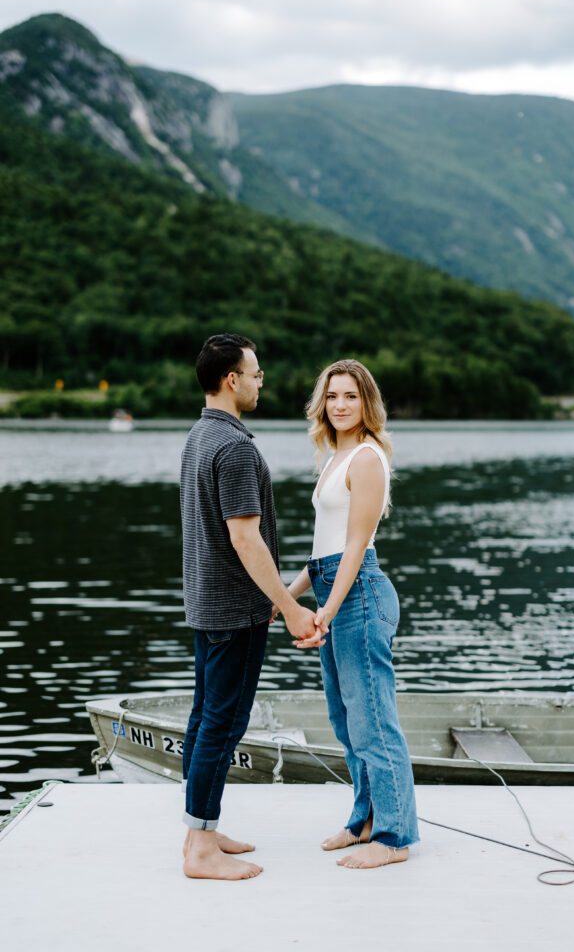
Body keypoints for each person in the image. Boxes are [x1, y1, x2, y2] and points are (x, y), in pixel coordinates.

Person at [180, 333, 319, 881]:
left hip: (207, 603)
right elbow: (245, 539)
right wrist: (286, 606)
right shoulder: (235, 446)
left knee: (204, 716)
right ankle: (199, 848)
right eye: (256, 374)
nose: (262, 382)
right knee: (224, 720)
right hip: (235, 608)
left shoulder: (198, 436)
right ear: (232, 380)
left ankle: (202, 829)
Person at [286, 358, 419, 869]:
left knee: (374, 724)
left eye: (351, 397)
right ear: (322, 403)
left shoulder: (366, 458)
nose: (340, 405)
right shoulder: (334, 458)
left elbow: (357, 545)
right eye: (333, 396)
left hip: (358, 594)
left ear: (367, 403)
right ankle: (364, 821)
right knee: (346, 722)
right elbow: (322, 551)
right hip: (334, 588)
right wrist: (284, 597)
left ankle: (395, 836)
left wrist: (327, 610)